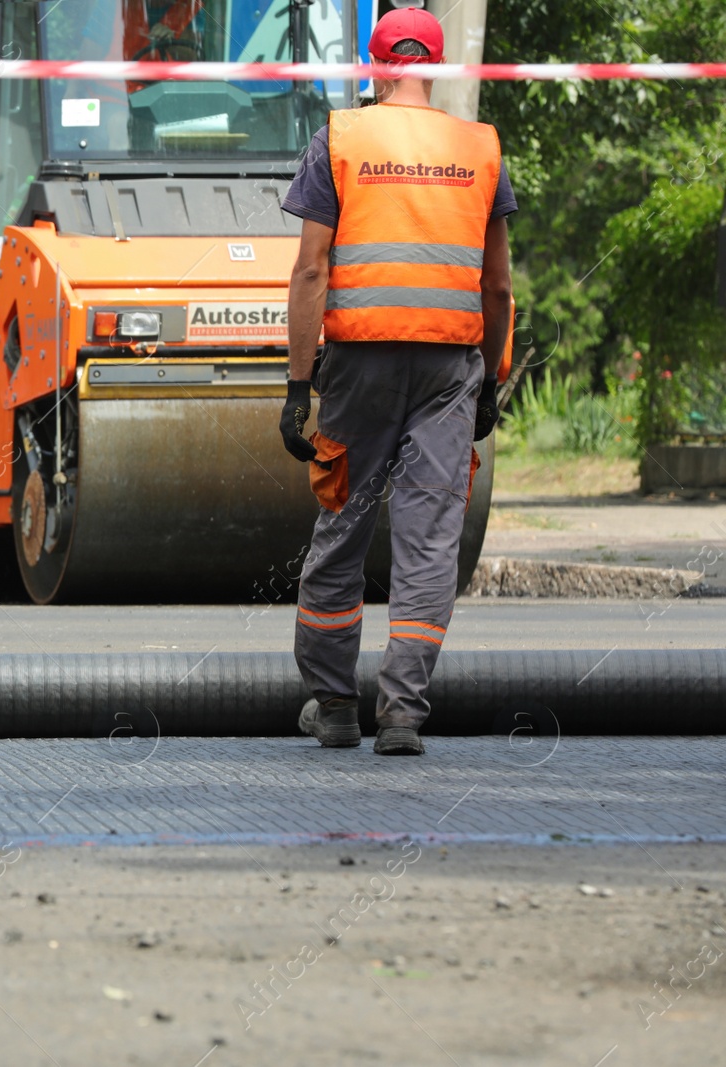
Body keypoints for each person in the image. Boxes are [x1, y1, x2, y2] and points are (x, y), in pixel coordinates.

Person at [278, 8, 516, 756]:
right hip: (450, 368)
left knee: (343, 522)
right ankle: (404, 713)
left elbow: (313, 268)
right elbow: (499, 286)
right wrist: (490, 385)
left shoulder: (341, 138)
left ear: (373, 65)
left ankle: (336, 701)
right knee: (429, 537)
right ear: (436, 67)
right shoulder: (480, 148)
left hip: (359, 366)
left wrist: (296, 382)